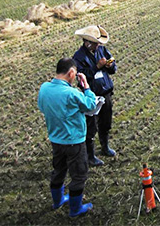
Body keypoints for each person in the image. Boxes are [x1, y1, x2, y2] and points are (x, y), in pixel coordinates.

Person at [38, 57, 96, 217]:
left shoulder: (44, 88)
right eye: (75, 73)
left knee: (59, 170)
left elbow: (42, 107)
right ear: (71, 72)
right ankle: (75, 209)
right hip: (74, 142)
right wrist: (86, 87)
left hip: (56, 140)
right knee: (79, 175)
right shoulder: (71, 93)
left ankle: (57, 201)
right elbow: (90, 105)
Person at [73, 25, 117, 166]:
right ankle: (90, 156)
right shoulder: (78, 57)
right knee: (91, 127)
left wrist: (110, 66)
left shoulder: (102, 50)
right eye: (96, 43)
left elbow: (113, 68)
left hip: (106, 92)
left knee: (105, 122)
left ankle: (105, 147)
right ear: (87, 43)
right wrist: (96, 66)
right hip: (91, 96)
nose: (98, 45)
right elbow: (81, 78)